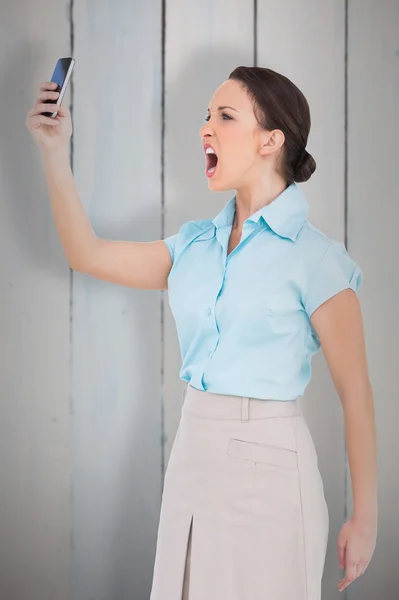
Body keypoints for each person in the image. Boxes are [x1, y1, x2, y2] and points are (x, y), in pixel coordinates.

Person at [26, 65, 378, 600]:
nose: (205, 129)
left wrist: (366, 517)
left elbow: (356, 394)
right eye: (205, 117)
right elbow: (87, 254)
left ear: (271, 140)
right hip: (193, 457)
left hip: (272, 470)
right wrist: (54, 151)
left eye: (225, 116)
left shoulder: (318, 260)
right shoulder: (193, 245)